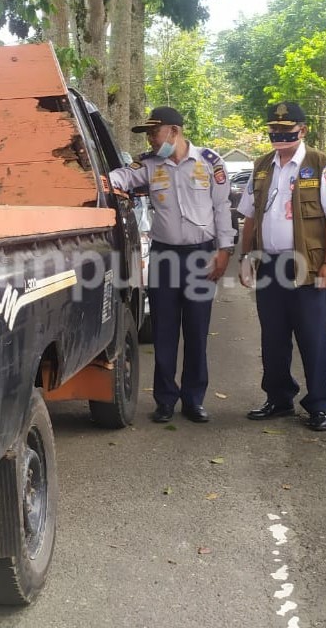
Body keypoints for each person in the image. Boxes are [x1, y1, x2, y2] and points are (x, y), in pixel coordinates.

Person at [107, 107, 235, 423]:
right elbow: (123, 175)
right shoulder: (149, 165)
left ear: (174, 132)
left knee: (196, 330)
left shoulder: (210, 161)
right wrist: (105, 180)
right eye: (149, 135)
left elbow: (222, 208)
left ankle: (193, 400)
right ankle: (165, 400)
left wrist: (225, 251)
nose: (151, 139)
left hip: (201, 256)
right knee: (163, 331)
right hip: (164, 256)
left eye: (155, 132)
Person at [235, 102, 326, 431]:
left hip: (306, 265)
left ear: (303, 130)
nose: (279, 137)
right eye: (274, 132)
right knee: (273, 337)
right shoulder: (261, 167)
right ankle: (279, 398)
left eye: (287, 132)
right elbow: (251, 217)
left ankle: (319, 405)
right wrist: (246, 258)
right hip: (268, 264)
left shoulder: (320, 165)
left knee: (313, 338)